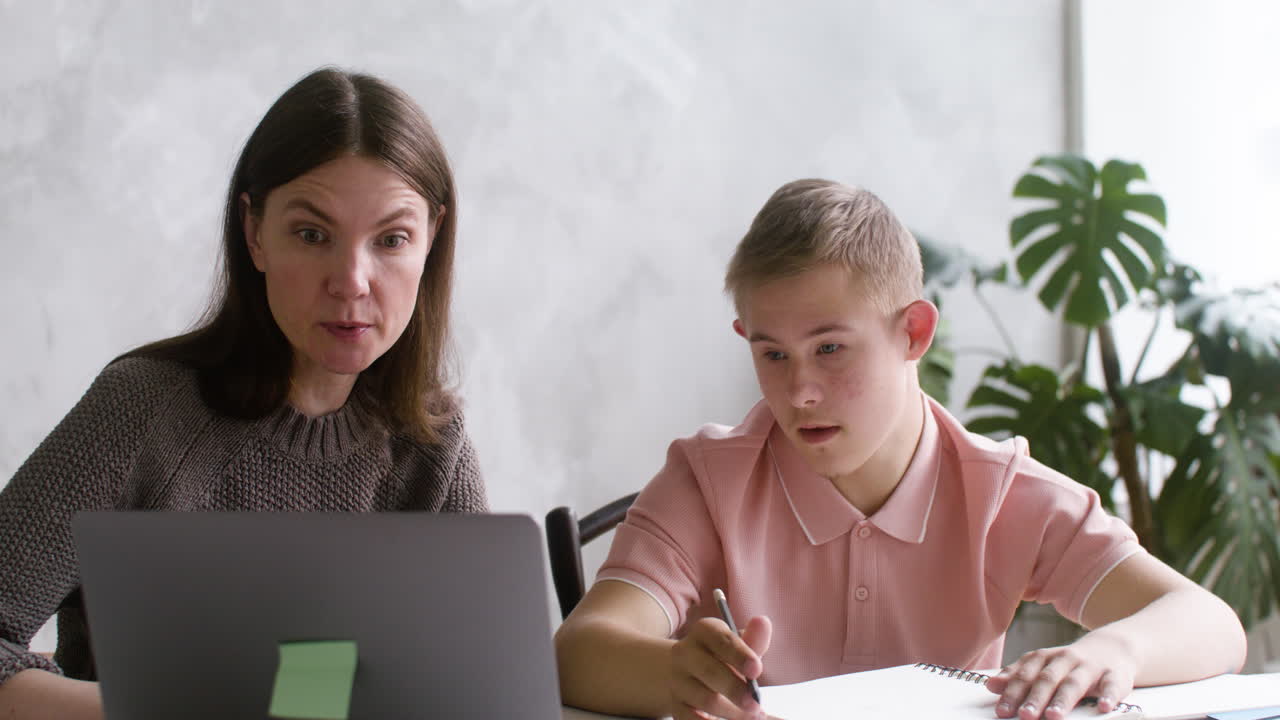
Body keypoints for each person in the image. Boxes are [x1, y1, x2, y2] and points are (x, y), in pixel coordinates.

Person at [554, 180, 1246, 720]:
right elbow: (579, 652)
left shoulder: (1001, 492)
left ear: (914, 333)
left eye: (829, 349)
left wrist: (1114, 647)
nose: (799, 392)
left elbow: (1212, 624)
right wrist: (676, 674)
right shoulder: (707, 481)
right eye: (772, 353)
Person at [0, 67, 487, 719]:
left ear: (432, 239)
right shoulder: (142, 410)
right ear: (255, 232)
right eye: (312, 235)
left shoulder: (433, 442)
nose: (351, 281)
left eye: (392, 239)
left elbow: (480, 679)